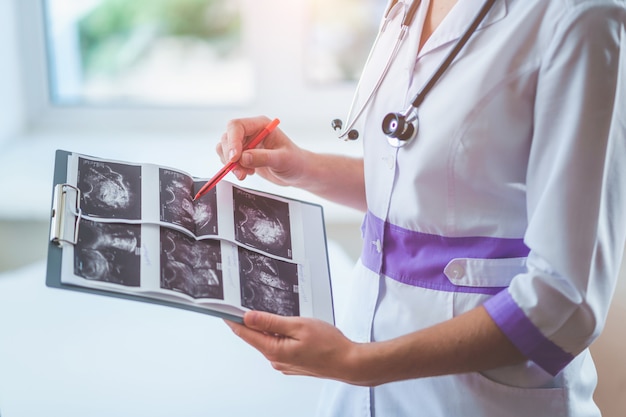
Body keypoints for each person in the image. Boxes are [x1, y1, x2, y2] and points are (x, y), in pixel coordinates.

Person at [219, 0, 626, 415]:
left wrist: (358, 363)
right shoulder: (409, 6)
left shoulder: (579, 16)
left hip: (480, 398)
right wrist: (302, 166)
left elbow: (564, 297)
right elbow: (422, 187)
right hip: (358, 378)